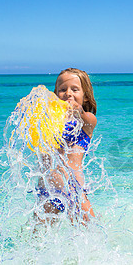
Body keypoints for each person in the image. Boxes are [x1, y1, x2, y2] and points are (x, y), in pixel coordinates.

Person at [36, 68, 97, 223]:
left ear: (85, 97)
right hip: (48, 190)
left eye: (75, 89)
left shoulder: (87, 120)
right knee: (38, 235)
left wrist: (78, 111)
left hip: (74, 188)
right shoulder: (50, 121)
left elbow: (86, 118)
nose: (68, 93)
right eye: (62, 90)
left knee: (90, 228)